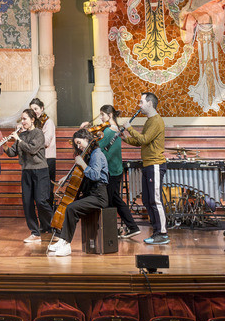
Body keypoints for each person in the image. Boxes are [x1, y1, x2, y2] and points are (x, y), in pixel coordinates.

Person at [48, 131, 111, 257]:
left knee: (71, 208)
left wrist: (82, 163)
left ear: (87, 139)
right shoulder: (90, 154)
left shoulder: (96, 154)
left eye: (79, 143)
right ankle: (62, 241)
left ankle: (66, 244)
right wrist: (67, 176)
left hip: (99, 196)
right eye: (76, 144)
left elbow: (94, 175)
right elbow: (81, 173)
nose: (78, 146)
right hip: (91, 193)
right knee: (69, 206)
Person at [122, 91, 170, 245]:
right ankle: (156, 231)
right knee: (147, 200)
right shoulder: (149, 121)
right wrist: (126, 139)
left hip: (155, 164)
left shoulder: (156, 121)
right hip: (148, 164)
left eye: (141, 102)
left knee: (155, 200)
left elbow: (144, 138)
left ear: (150, 103)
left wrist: (129, 128)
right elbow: (142, 142)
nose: (139, 105)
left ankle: (162, 233)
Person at [10, 107, 53, 244]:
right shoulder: (21, 135)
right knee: (27, 203)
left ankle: (58, 227)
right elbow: (12, 152)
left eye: (25, 119)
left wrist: (19, 140)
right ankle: (35, 233)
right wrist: (3, 144)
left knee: (41, 201)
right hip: (26, 171)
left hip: (40, 171)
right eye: (21, 119)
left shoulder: (38, 133)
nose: (22, 122)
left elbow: (32, 149)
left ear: (32, 119)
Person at [97, 104, 140, 240]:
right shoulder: (116, 130)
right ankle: (129, 228)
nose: (101, 118)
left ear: (110, 115)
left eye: (102, 115)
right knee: (114, 199)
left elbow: (97, 149)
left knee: (111, 201)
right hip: (116, 170)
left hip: (110, 171)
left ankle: (116, 230)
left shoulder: (109, 132)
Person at [29, 96, 57, 184]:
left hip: (47, 158)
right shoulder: (34, 123)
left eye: (36, 109)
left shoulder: (48, 122)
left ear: (42, 108)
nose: (34, 112)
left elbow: (46, 142)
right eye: (32, 109)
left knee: (46, 188)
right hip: (37, 159)